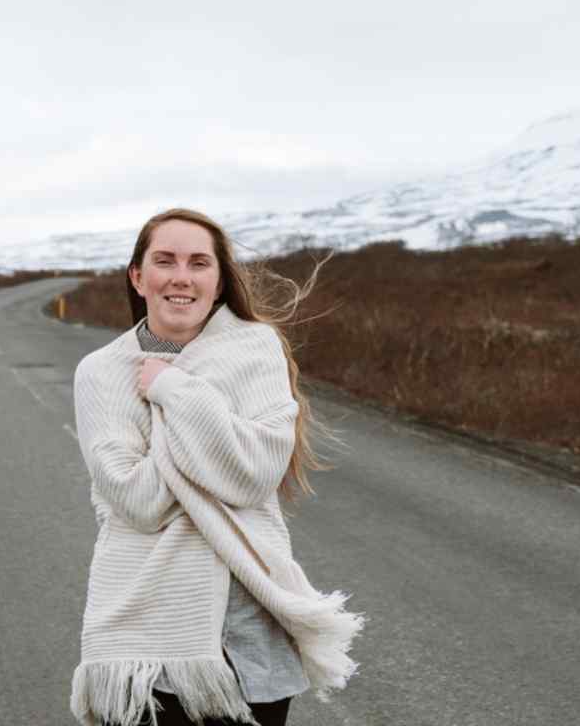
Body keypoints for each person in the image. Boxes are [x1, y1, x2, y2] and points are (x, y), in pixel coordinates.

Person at [69, 209, 365, 726]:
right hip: (145, 640)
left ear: (219, 279)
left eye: (198, 262)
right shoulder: (100, 372)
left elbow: (251, 475)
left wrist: (171, 389)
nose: (181, 276)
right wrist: (213, 437)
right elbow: (137, 501)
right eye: (165, 261)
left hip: (251, 635)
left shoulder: (256, 351)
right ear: (138, 277)